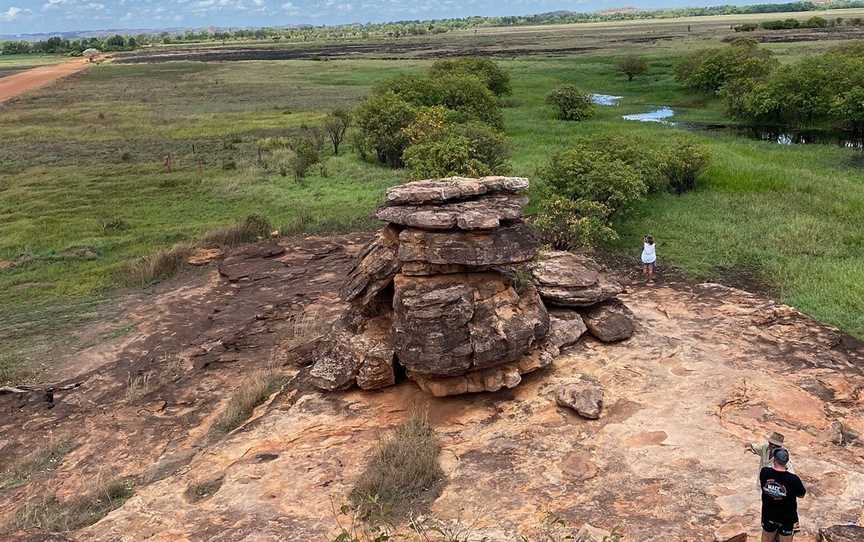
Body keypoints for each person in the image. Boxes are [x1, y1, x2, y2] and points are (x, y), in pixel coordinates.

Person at [760, 448, 805, 541]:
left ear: (774, 459)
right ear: (787, 461)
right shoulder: (793, 479)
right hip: (787, 519)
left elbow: (763, 486)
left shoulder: (764, 472)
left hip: (768, 515)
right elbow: (801, 494)